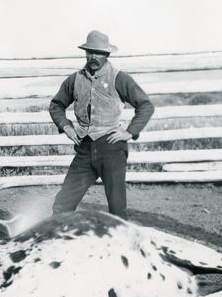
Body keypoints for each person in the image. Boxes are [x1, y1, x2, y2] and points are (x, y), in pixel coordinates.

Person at [49, 30, 154, 219]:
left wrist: (130, 132)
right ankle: (60, 236)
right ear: (85, 53)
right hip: (84, 148)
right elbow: (56, 105)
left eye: (99, 53)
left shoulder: (119, 78)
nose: (94, 57)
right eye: (90, 52)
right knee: (62, 205)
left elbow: (145, 105)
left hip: (111, 148)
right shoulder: (75, 79)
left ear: (107, 54)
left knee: (117, 209)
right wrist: (66, 127)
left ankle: (120, 238)